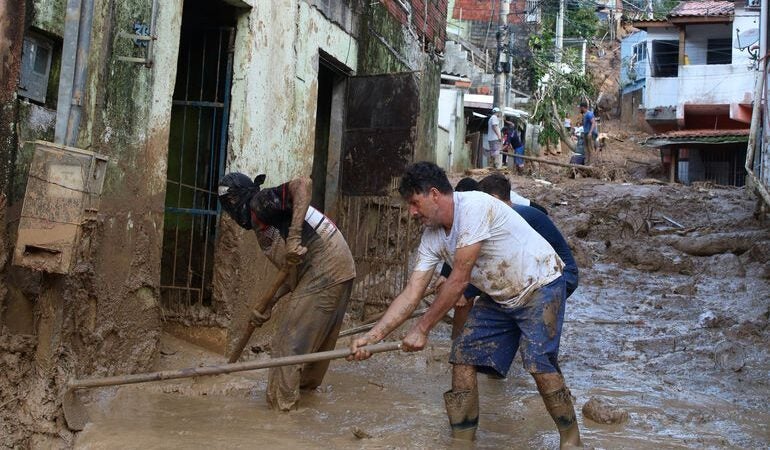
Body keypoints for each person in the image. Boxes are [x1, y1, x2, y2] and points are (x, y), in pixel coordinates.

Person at [349, 162, 582, 447]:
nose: (411, 212)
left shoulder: (473, 207)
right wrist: (372, 337)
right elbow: (412, 292)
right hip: (499, 295)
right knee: (462, 357)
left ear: (434, 194)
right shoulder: (432, 237)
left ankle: (571, 441)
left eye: (414, 203)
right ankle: (462, 441)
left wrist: (422, 329)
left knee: (538, 362)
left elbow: (459, 281)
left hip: (540, 284)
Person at [218, 173, 356, 411]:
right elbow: (292, 271)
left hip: (325, 264)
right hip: (338, 266)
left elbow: (303, 183)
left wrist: (293, 237)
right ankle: (306, 401)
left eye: (229, 208)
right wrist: (269, 303)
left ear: (233, 201)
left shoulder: (259, 203)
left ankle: (282, 413)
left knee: (286, 341)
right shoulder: (267, 220)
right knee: (314, 344)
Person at [478, 173, 579, 298]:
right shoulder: (516, 213)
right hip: (547, 273)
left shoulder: (516, 217)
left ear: (494, 198)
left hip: (561, 276)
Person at [579, 101, 597, 165]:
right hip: (586, 133)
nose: (580, 109)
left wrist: (590, 133)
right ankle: (587, 163)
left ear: (583, 107)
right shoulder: (585, 114)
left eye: (580, 108)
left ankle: (592, 163)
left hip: (589, 134)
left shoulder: (589, 114)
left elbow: (593, 123)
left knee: (590, 148)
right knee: (586, 149)